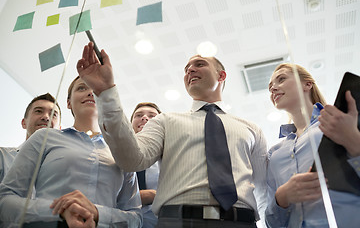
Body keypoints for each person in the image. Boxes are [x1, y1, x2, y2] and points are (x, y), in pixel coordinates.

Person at [73, 42, 268, 228]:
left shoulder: (251, 129)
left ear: (221, 75)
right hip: (177, 221)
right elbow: (132, 160)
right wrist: (105, 92)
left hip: (241, 221)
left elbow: (263, 187)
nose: (189, 70)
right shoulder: (165, 121)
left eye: (199, 64)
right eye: (186, 69)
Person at [0, 76, 142, 228]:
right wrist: (59, 211)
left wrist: (97, 213)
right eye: (82, 88)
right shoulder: (44, 137)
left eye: (96, 90)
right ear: (68, 103)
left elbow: (136, 218)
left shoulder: (121, 150)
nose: (90, 93)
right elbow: (5, 200)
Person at [266, 63, 360, 227]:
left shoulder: (340, 123)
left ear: (307, 84)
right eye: (270, 87)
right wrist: (281, 197)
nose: (273, 89)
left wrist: (353, 140)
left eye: (281, 79)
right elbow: (271, 222)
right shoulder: (274, 154)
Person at [0, 93, 61, 183]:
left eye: (53, 114)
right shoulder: (2, 157)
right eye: (39, 111)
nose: (46, 117)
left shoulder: (63, 171)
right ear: (24, 123)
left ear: (60, 130)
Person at [130, 102, 161, 228]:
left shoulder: (170, 157)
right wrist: (147, 195)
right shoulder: (114, 154)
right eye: (138, 115)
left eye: (152, 116)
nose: (144, 118)